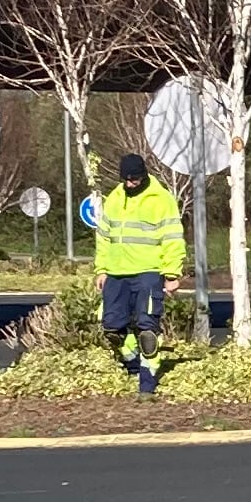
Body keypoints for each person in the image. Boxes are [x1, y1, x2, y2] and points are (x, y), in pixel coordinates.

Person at [79, 153, 186, 392]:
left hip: (148, 272)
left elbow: (172, 238)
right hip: (116, 273)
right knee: (112, 328)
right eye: (126, 180)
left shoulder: (161, 199)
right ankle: (133, 362)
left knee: (147, 329)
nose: (130, 184)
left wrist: (171, 274)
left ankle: (147, 384)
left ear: (144, 176)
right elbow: (104, 237)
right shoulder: (115, 198)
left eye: (135, 179)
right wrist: (102, 269)